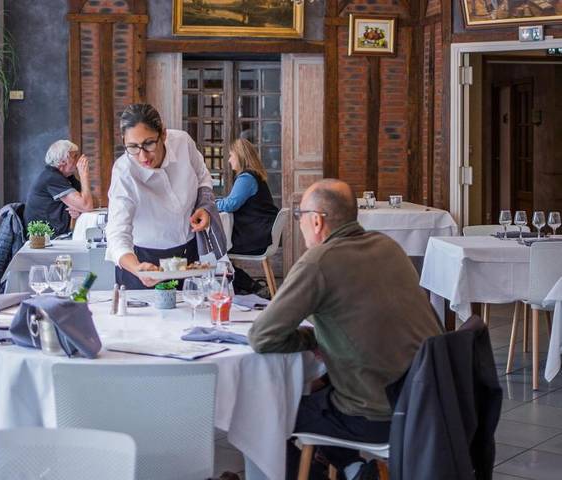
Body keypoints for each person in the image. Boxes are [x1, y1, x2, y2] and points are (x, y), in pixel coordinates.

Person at [247, 179, 441, 480]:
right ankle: (354, 470)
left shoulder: (319, 262)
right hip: (424, 400)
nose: (298, 223)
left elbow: (261, 337)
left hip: (375, 414)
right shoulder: (387, 246)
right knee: (320, 388)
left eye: (300, 215)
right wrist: (322, 338)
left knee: (264, 412)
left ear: (316, 220)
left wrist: (311, 338)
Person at [105, 103, 213, 289]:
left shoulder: (183, 143)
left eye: (148, 144)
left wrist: (204, 207)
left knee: (192, 313)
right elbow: (117, 233)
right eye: (132, 147)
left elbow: (202, 176)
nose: (142, 156)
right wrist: (138, 268)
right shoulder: (124, 172)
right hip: (142, 260)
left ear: (163, 134)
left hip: (188, 254)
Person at [216, 138, 279, 296]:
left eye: (231, 155)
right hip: (262, 235)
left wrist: (209, 204)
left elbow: (231, 204)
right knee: (217, 251)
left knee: (215, 251)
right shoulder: (254, 176)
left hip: (254, 237)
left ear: (240, 156)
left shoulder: (246, 178)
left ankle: (249, 286)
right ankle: (246, 287)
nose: (229, 160)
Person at [24, 140, 93, 236]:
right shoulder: (51, 177)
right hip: (44, 240)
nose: (78, 160)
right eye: (75, 156)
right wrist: (84, 176)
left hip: (57, 236)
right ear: (62, 161)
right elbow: (87, 206)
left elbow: (90, 202)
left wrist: (79, 208)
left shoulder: (67, 177)